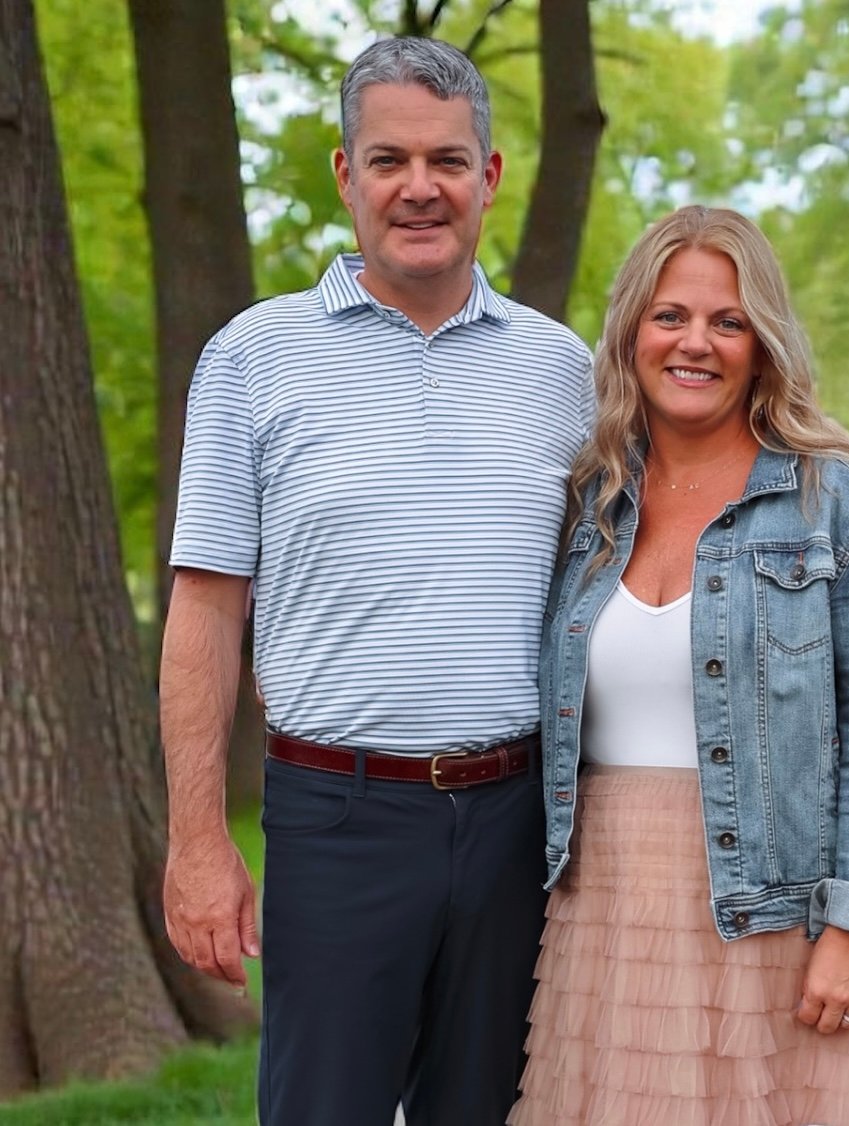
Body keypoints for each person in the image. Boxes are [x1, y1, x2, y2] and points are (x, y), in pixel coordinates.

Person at [160, 37, 592, 1126]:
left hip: (517, 825)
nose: (419, 188)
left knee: (489, 1110)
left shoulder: (564, 371)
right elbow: (206, 609)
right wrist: (198, 841)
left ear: (488, 177)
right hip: (335, 817)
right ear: (346, 175)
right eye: (389, 159)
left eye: (447, 160)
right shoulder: (252, 357)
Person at [509, 206, 849, 1126]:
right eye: (670, 316)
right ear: (631, 333)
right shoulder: (588, 505)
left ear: (763, 343)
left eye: (727, 321)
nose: (694, 342)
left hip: (779, 917)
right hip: (606, 917)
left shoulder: (836, 504)